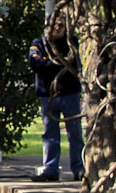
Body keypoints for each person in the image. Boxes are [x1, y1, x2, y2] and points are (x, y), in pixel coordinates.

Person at [28, 14, 84, 182]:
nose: (57, 28)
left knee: (75, 133)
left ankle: (79, 169)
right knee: (50, 134)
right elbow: (35, 64)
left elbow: (72, 64)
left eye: (61, 25)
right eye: (54, 25)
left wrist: (49, 63)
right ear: (47, 26)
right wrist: (58, 63)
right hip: (48, 96)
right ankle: (50, 169)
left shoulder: (71, 42)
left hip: (70, 94)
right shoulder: (38, 43)